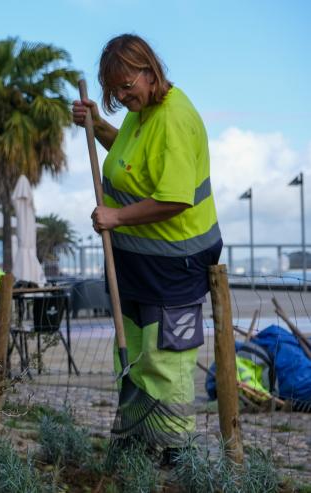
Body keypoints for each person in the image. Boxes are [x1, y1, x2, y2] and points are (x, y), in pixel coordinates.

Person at [72, 34, 222, 461]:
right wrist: (98, 125)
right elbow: (131, 162)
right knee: (137, 353)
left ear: (149, 70)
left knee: (166, 357)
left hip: (176, 263)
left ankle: (176, 450)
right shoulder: (145, 113)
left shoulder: (174, 117)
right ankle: (140, 438)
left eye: (126, 85)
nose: (122, 96)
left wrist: (116, 218)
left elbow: (175, 198)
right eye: (114, 90)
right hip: (137, 263)